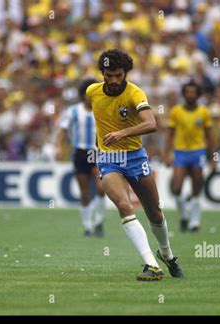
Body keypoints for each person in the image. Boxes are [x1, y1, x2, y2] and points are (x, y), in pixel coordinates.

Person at [86, 49, 184, 281]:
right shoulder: (92, 91)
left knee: (155, 212)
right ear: (102, 73)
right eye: (108, 75)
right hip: (109, 159)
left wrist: (122, 133)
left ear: (126, 73)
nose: (112, 80)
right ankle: (151, 264)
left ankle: (166, 254)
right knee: (124, 205)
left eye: (117, 75)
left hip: (135, 158)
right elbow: (100, 120)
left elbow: (152, 123)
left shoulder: (135, 93)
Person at [56, 78, 106, 237]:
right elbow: (63, 130)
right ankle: (87, 226)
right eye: (87, 94)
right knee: (85, 192)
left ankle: (98, 220)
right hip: (80, 153)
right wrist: (59, 147)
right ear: (82, 95)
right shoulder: (73, 111)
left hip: (97, 153)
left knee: (101, 188)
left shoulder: (102, 109)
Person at [164, 80, 215, 232]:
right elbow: (170, 134)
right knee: (177, 187)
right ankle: (184, 215)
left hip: (198, 151)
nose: (190, 94)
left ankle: (194, 220)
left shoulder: (204, 112)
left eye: (193, 92)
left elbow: (210, 136)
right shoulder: (176, 111)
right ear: (184, 94)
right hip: (180, 152)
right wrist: (167, 153)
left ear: (198, 94)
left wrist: (213, 158)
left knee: (197, 185)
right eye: (188, 92)